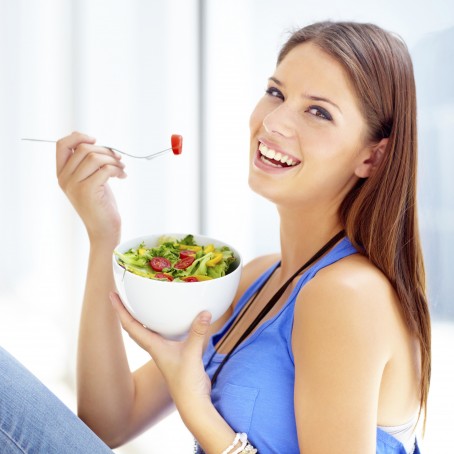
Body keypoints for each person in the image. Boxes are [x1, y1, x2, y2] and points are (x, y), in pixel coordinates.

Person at [0, 20, 430, 454]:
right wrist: (102, 235)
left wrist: (195, 406)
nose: (274, 122)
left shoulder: (347, 295)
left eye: (318, 112)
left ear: (372, 157)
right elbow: (109, 423)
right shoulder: (258, 278)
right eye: (276, 93)